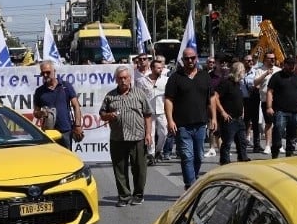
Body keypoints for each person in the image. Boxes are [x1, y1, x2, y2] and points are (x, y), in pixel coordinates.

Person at [164, 47, 218, 189]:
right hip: (182, 125)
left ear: (197, 58)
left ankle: (192, 180)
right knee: (187, 156)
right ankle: (191, 185)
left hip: (200, 124)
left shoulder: (204, 76)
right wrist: (170, 120)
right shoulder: (175, 78)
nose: (190, 61)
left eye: (192, 58)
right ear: (182, 60)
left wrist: (214, 118)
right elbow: (168, 100)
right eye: (186, 58)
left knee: (199, 156)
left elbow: (211, 98)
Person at [100, 66, 152, 206]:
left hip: (138, 137)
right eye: (120, 78)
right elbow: (102, 114)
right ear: (116, 80)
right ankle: (124, 196)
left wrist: (148, 134)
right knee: (120, 169)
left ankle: (138, 195)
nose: (123, 81)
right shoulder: (110, 96)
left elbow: (147, 114)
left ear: (130, 79)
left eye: (126, 78)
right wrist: (108, 115)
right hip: (118, 138)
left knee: (139, 169)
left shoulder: (139, 94)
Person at [32, 60, 83, 150]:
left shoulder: (66, 86)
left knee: (67, 160)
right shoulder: (39, 91)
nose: (45, 75)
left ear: (54, 71)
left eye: (48, 72)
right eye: (42, 73)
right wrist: (42, 113)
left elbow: (76, 106)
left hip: (65, 131)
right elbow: (35, 113)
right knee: (51, 161)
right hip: (49, 133)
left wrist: (77, 125)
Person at [266, 58, 297, 159]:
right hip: (280, 111)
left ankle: (290, 154)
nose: (292, 66)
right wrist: (269, 107)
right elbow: (270, 91)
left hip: (295, 112)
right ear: (285, 64)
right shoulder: (277, 76)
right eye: (289, 64)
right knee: (278, 131)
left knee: (292, 135)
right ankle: (275, 152)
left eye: (293, 64)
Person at [214, 62, 249, 164]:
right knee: (227, 143)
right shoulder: (226, 83)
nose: (244, 72)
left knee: (242, 141)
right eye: (242, 70)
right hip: (229, 119)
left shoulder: (238, 84)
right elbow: (215, 97)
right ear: (238, 71)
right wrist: (223, 112)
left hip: (239, 118)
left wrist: (242, 110)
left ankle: (243, 159)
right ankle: (225, 162)